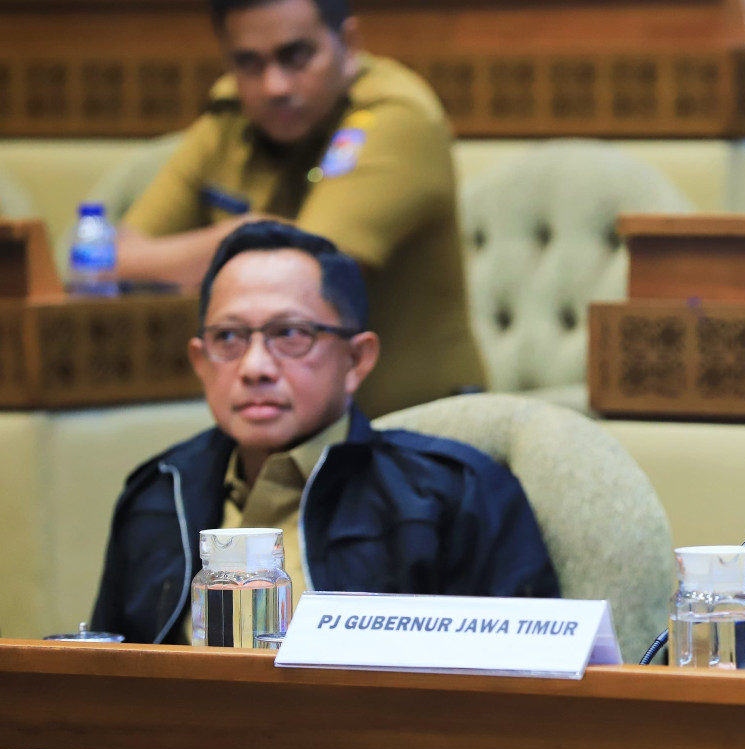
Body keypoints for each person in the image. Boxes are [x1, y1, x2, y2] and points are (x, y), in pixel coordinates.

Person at [90, 222, 557, 644]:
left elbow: (524, 688)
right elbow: (107, 687)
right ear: (200, 361)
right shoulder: (157, 495)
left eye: (290, 334)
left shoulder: (454, 495)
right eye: (228, 338)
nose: (255, 367)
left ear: (357, 361)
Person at [115, 0, 485, 417]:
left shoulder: (397, 118)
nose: (274, 85)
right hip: (288, 428)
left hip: (421, 431)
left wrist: (214, 253)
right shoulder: (230, 117)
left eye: (296, 56)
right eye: (249, 63)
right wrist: (242, 235)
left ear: (348, 43)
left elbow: (305, 282)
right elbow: (108, 259)